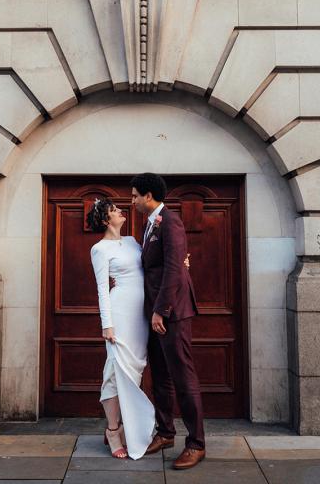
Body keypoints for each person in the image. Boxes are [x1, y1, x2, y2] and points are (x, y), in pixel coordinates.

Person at [131, 172, 206, 470]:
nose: (133, 200)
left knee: (182, 376)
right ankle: (165, 432)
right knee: (160, 375)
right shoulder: (149, 224)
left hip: (171, 313)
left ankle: (196, 443)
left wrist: (161, 311)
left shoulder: (170, 222)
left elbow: (175, 269)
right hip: (154, 313)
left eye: (135, 195)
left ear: (149, 195)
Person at [87, 199, 155, 460]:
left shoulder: (132, 242)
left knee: (135, 371)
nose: (119, 211)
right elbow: (102, 289)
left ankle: (124, 426)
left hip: (140, 315)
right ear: (105, 220)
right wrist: (107, 324)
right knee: (115, 372)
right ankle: (114, 431)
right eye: (113, 210)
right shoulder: (99, 249)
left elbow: (149, 268)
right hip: (120, 314)